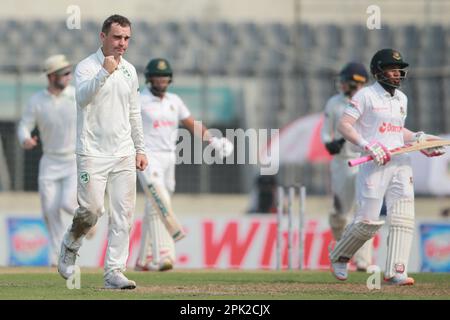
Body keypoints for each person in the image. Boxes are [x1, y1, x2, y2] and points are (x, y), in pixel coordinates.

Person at [329, 48, 446, 285]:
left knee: (403, 217)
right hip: (374, 164)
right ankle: (339, 255)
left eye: (399, 70)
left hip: (401, 162)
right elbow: (344, 125)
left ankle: (395, 271)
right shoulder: (365, 96)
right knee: (367, 222)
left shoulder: (402, 99)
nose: (397, 74)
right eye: (392, 69)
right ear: (378, 72)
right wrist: (367, 144)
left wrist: (419, 140)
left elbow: (395, 130)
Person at [57, 15, 148, 290]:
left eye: (126, 38)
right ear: (103, 37)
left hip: (123, 152)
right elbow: (82, 98)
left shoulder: (131, 71)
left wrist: (140, 148)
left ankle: (113, 272)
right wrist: (104, 72)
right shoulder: (87, 67)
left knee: (124, 214)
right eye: (117, 37)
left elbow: (134, 112)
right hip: (92, 153)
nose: (122, 43)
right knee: (92, 211)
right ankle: (71, 243)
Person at [134, 58, 233, 271]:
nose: (161, 80)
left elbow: (191, 124)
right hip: (147, 157)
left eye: (165, 76)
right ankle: (165, 254)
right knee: (159, 200)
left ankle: (143, 260)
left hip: (169, 158)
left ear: (170, 79)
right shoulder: (139, 100)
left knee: (154, 205)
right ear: (150, 78)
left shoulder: (174, 100)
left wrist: (213, 140)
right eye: (157, 76)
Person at [17, 54, 77, 266]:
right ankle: (58, 257)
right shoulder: (37, 101)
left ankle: (89, 218)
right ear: (51, 76)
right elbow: (24, 125)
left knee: (68, 203)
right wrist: (25, 139)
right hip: (50, 160)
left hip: (73, 160)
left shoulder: (76, 96)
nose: (69, 77)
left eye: (70, 72)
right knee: (50, 210)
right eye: (65, 73)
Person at [321, 62, 373, 271]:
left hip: (365, 160)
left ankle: (363, 261)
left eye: (345, 81)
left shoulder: (370, 101)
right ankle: (343, 252)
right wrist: (329, 143)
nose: (341, 85)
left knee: (364, 213)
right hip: (342, 162)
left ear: (356, 83)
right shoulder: (334, 103)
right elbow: (326, 131)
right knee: (339, 214)